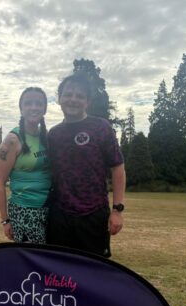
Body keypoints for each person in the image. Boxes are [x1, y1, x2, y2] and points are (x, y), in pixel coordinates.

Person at [47, 73, 126, 257]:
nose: (73, 99)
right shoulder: (53, 134)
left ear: (87, 101)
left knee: (93, 269)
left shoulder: (101, 127)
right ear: (59, 99)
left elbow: (118, 167)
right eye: (68, 94)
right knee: (59, 269)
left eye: (80, 96)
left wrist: (117, 210)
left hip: (93, 215)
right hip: (60, 216)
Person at [0, 87, 51, 244]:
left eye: (38, 103)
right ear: (21, 109)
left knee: (50, 255)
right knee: (33, 257)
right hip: (24, 211)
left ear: (44, 109)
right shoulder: (12, 140)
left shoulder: (46, 136)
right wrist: (5, 220)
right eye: (28, 103)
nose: (34, 107)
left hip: (49, 208)